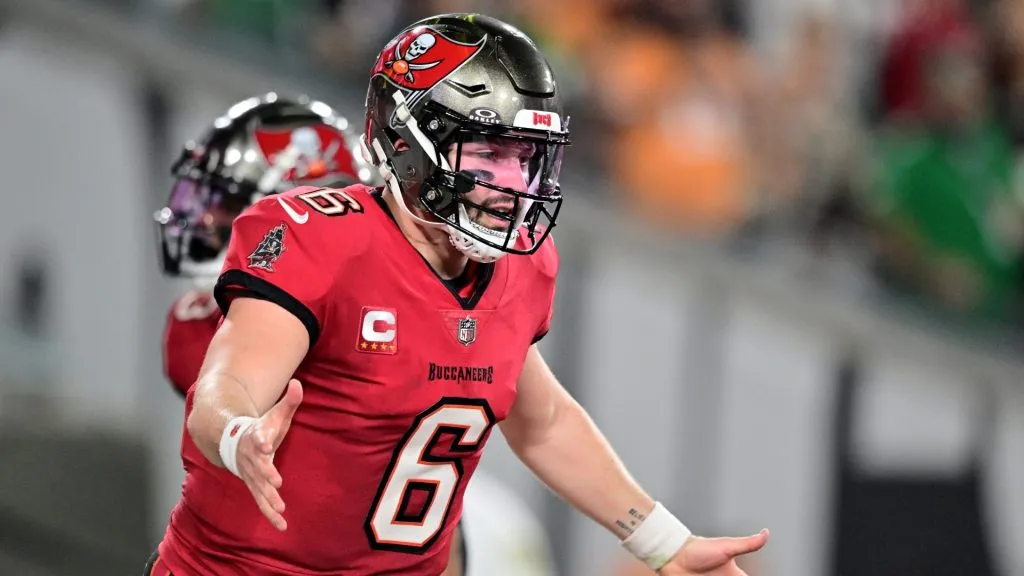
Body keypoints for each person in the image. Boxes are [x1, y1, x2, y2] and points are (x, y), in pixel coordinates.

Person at [149, 13, 769, 576]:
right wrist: (237, 435)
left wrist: (665, 544)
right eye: (489, 154)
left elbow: (544, 421)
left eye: (527, 157)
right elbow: (224, 389)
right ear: (407, 143)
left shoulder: (518, 269)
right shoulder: (319, 241)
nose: (512, 185)